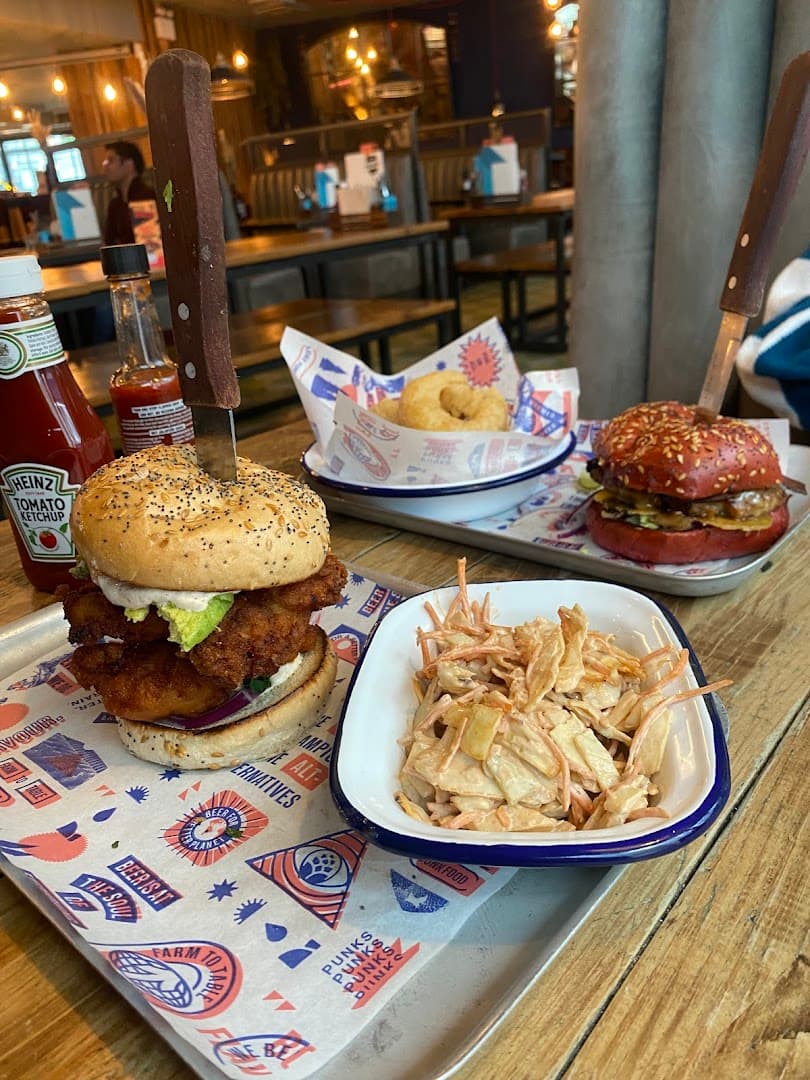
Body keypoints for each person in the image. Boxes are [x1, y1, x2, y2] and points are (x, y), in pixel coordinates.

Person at [101, 141, 156, 246]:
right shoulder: (115, 205)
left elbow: (150, 248)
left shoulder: (145, 198)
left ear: (129, 164)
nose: (105, 166)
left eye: (111, 160)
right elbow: (109, 244)